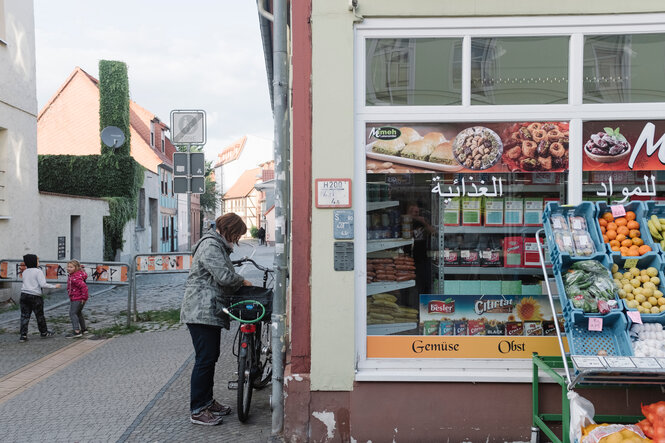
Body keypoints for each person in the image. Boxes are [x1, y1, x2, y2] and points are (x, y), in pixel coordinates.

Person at [180, 213, 253, 426]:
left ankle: (207, 401)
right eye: (237, 234)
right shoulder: (211, 246)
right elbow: (224, 277)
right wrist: (244, 282)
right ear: (230, 230)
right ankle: (198, 409)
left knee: (210, 357)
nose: (237, 239)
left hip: (207, 310)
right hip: (200, 310)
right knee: (205, 359)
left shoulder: (217, 245)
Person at [19, 254, 61, 342]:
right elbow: (43, 284)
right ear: (34, 261)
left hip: (24, 295)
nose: (39, 262)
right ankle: (43, 332)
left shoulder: (25, 271)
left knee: (24, 316)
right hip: (35, 296)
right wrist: (54, 286)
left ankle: (23, 335)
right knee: (39, 315)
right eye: (37, 261)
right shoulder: (38, 271)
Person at [406, 202, 436, 295]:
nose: (415, 214)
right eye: (412, 211)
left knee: (423, 283)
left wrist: (424, 222)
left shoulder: (422, 222)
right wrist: (408, 219)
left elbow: (433, 232)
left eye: (417, 212)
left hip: (422, 257)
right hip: (407, 257)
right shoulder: (405, 222)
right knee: (407, 284)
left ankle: (423, 303)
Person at [65, 259, 89, 338]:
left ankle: (76, 331)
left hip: (77, 298)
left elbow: (84, 287)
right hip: (76, 297)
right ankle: (84, 329)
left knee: (72, 313)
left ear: (76, 268)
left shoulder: (75, 277)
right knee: (78, 313)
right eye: (68, 267)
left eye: (71, 267)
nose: (68, 268)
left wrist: (84, 298)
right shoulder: (75, 275)